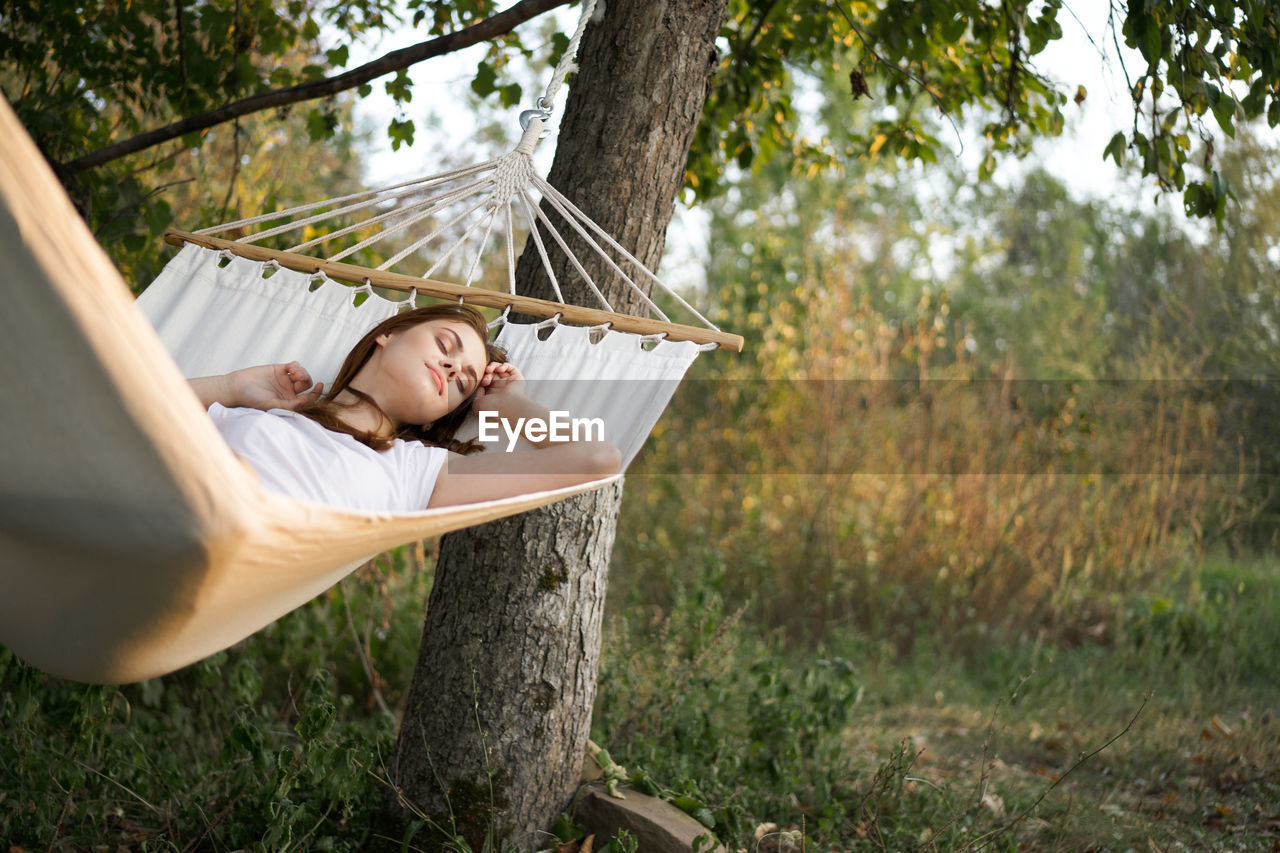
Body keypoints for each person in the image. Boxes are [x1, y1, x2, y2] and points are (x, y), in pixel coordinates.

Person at [189, 304, 621, 512]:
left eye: (465, 382)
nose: (452, 368)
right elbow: (128, 410)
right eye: (444, 345)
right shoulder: (252, 413)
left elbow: (598, 459)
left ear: (436, 417)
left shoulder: (417, 471)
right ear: (388, 335)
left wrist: (510, 404)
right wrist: (234, 386)